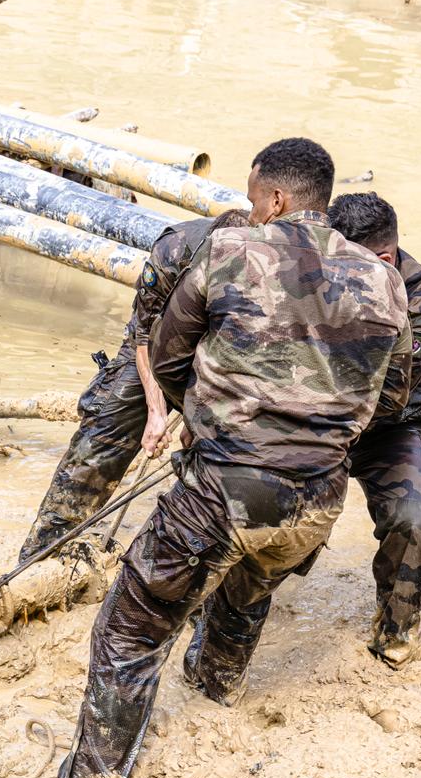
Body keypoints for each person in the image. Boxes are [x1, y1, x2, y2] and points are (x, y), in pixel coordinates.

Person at [57, 138, 412, 778]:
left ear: (275, 198)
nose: (250, 211)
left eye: (253, 199)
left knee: (130, 629)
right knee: (244, 600)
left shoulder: (228, 251)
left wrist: (216, 420)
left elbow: (167, 358)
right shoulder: (385, 280)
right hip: (317, 502)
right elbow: (391, 398)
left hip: (223, 491)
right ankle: (216, 698)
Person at [19, 208, 254, 562]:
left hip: (218, 355)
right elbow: (144, 333)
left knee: (235, 461)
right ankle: (41, 556)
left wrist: (196, 417)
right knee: (101, 439)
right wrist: (156, 412)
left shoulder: (267, 262)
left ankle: (199, 565)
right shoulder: (174, 249)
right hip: (156, 341)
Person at [329, 192, 421, 668]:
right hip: (315, 411)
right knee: (243, 483)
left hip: (389, 422)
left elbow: (385, 394)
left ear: (383, 261)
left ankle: (395, 630)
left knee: (415, 513)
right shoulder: (324, 261)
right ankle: (218, 610)